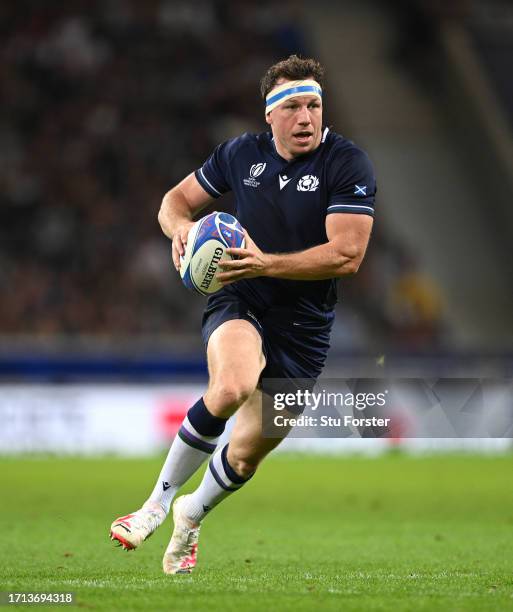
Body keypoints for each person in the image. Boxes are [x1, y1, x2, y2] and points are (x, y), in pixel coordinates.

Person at [110, 54, 376, 574]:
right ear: (269, 115)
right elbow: (173, 201)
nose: (306, 118)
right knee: (231, 386)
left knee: (246, 454)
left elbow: (348, 254)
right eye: (294, 107)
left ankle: (190, 515)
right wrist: (180, 230)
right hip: (242, 299)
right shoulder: (239, 155)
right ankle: (153, 507)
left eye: (314, 106)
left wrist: (267, 261)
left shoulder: (347, 163)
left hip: (305, 329)